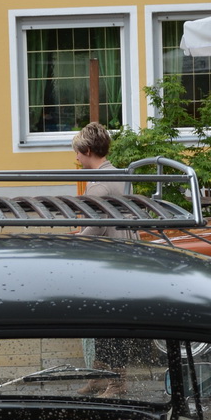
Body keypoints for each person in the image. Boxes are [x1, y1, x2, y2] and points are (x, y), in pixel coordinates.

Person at [72, 122, 133, 397]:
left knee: (109, 321)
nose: (75, 159)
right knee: (104, 317)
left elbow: (96, 226)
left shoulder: (97, 185)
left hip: (109, 260)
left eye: (77, 153)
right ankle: (99, 375)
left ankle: (117, 383)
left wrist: (77, 239)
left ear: (86, 151)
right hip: (125, 252)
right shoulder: (119, 174)